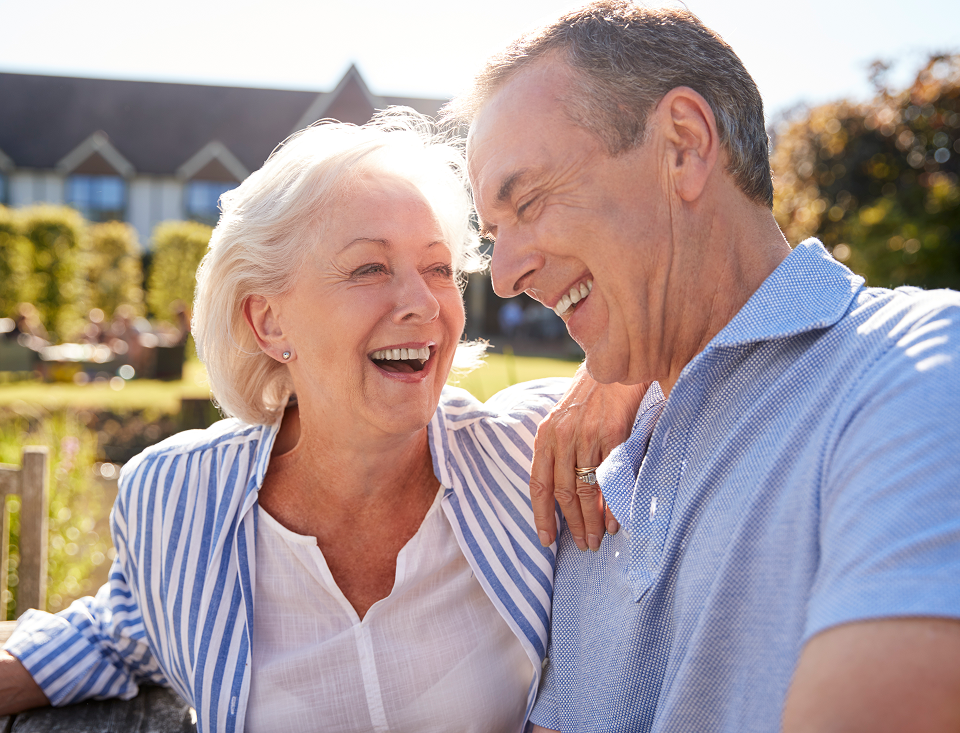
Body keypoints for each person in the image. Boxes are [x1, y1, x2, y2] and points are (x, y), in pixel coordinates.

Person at [0, 111, 639, 732]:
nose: (422, 304)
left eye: (438, 269)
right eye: (369, 268)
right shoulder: (175, 494)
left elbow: (697, 332)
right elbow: (125, 627)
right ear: (269, 321)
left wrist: (619, 374)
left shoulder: (531, 450)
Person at [452, 2, 960, 731]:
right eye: (493, 234)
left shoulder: (913, 365)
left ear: (684, 147)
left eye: (528, 201)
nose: (502, 277)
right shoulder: (587, 466)